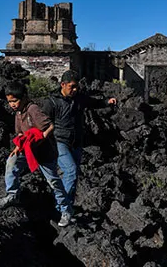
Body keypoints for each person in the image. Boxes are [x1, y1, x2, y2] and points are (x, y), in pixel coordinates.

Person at [42, 70, 117, 225]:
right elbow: (42, 121)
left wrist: (107, 102)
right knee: (70, 171)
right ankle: (65, 210)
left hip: (76, 142)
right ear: (63, 85)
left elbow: (93, 103)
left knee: (73, 177)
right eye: (72, 87)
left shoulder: (79, 98)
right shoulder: (52, 102)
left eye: (77, 87)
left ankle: (63, 207)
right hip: (59, 142)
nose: (75, 90)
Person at [0, 81, 71, 227]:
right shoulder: (18, 113)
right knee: (11, 162)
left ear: (24, 97)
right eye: (10, 102)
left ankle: (66, 210)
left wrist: (42, 137)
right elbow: (21, 133)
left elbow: (50, 126)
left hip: (44, 152)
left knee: (53, 181)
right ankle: (12, 194)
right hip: (28, 149)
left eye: (15, 101)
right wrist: (17, 148)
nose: (12, 104)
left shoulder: (33, 109)